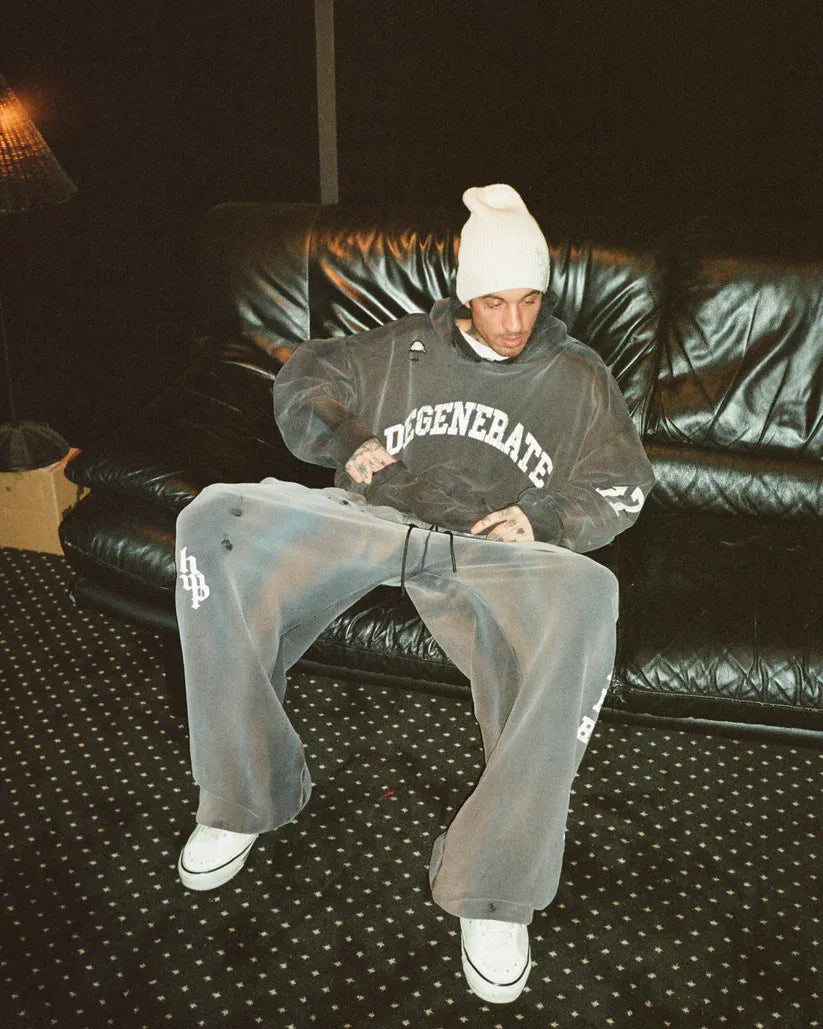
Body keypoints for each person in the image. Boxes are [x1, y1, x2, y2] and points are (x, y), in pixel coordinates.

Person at [173, 184, 656, 1004]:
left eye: (529, 299)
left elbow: (622, 484)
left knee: (589, 596)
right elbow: (304, 376)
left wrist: (542, 518)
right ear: (466, 296)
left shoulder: (576, 376)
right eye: (495, 301)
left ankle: (493, 883)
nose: (514, 321)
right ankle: (243, 794)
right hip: (372, 519)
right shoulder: (402, 347)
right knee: (213, 518)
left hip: (489, 547)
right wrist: (348, 436)